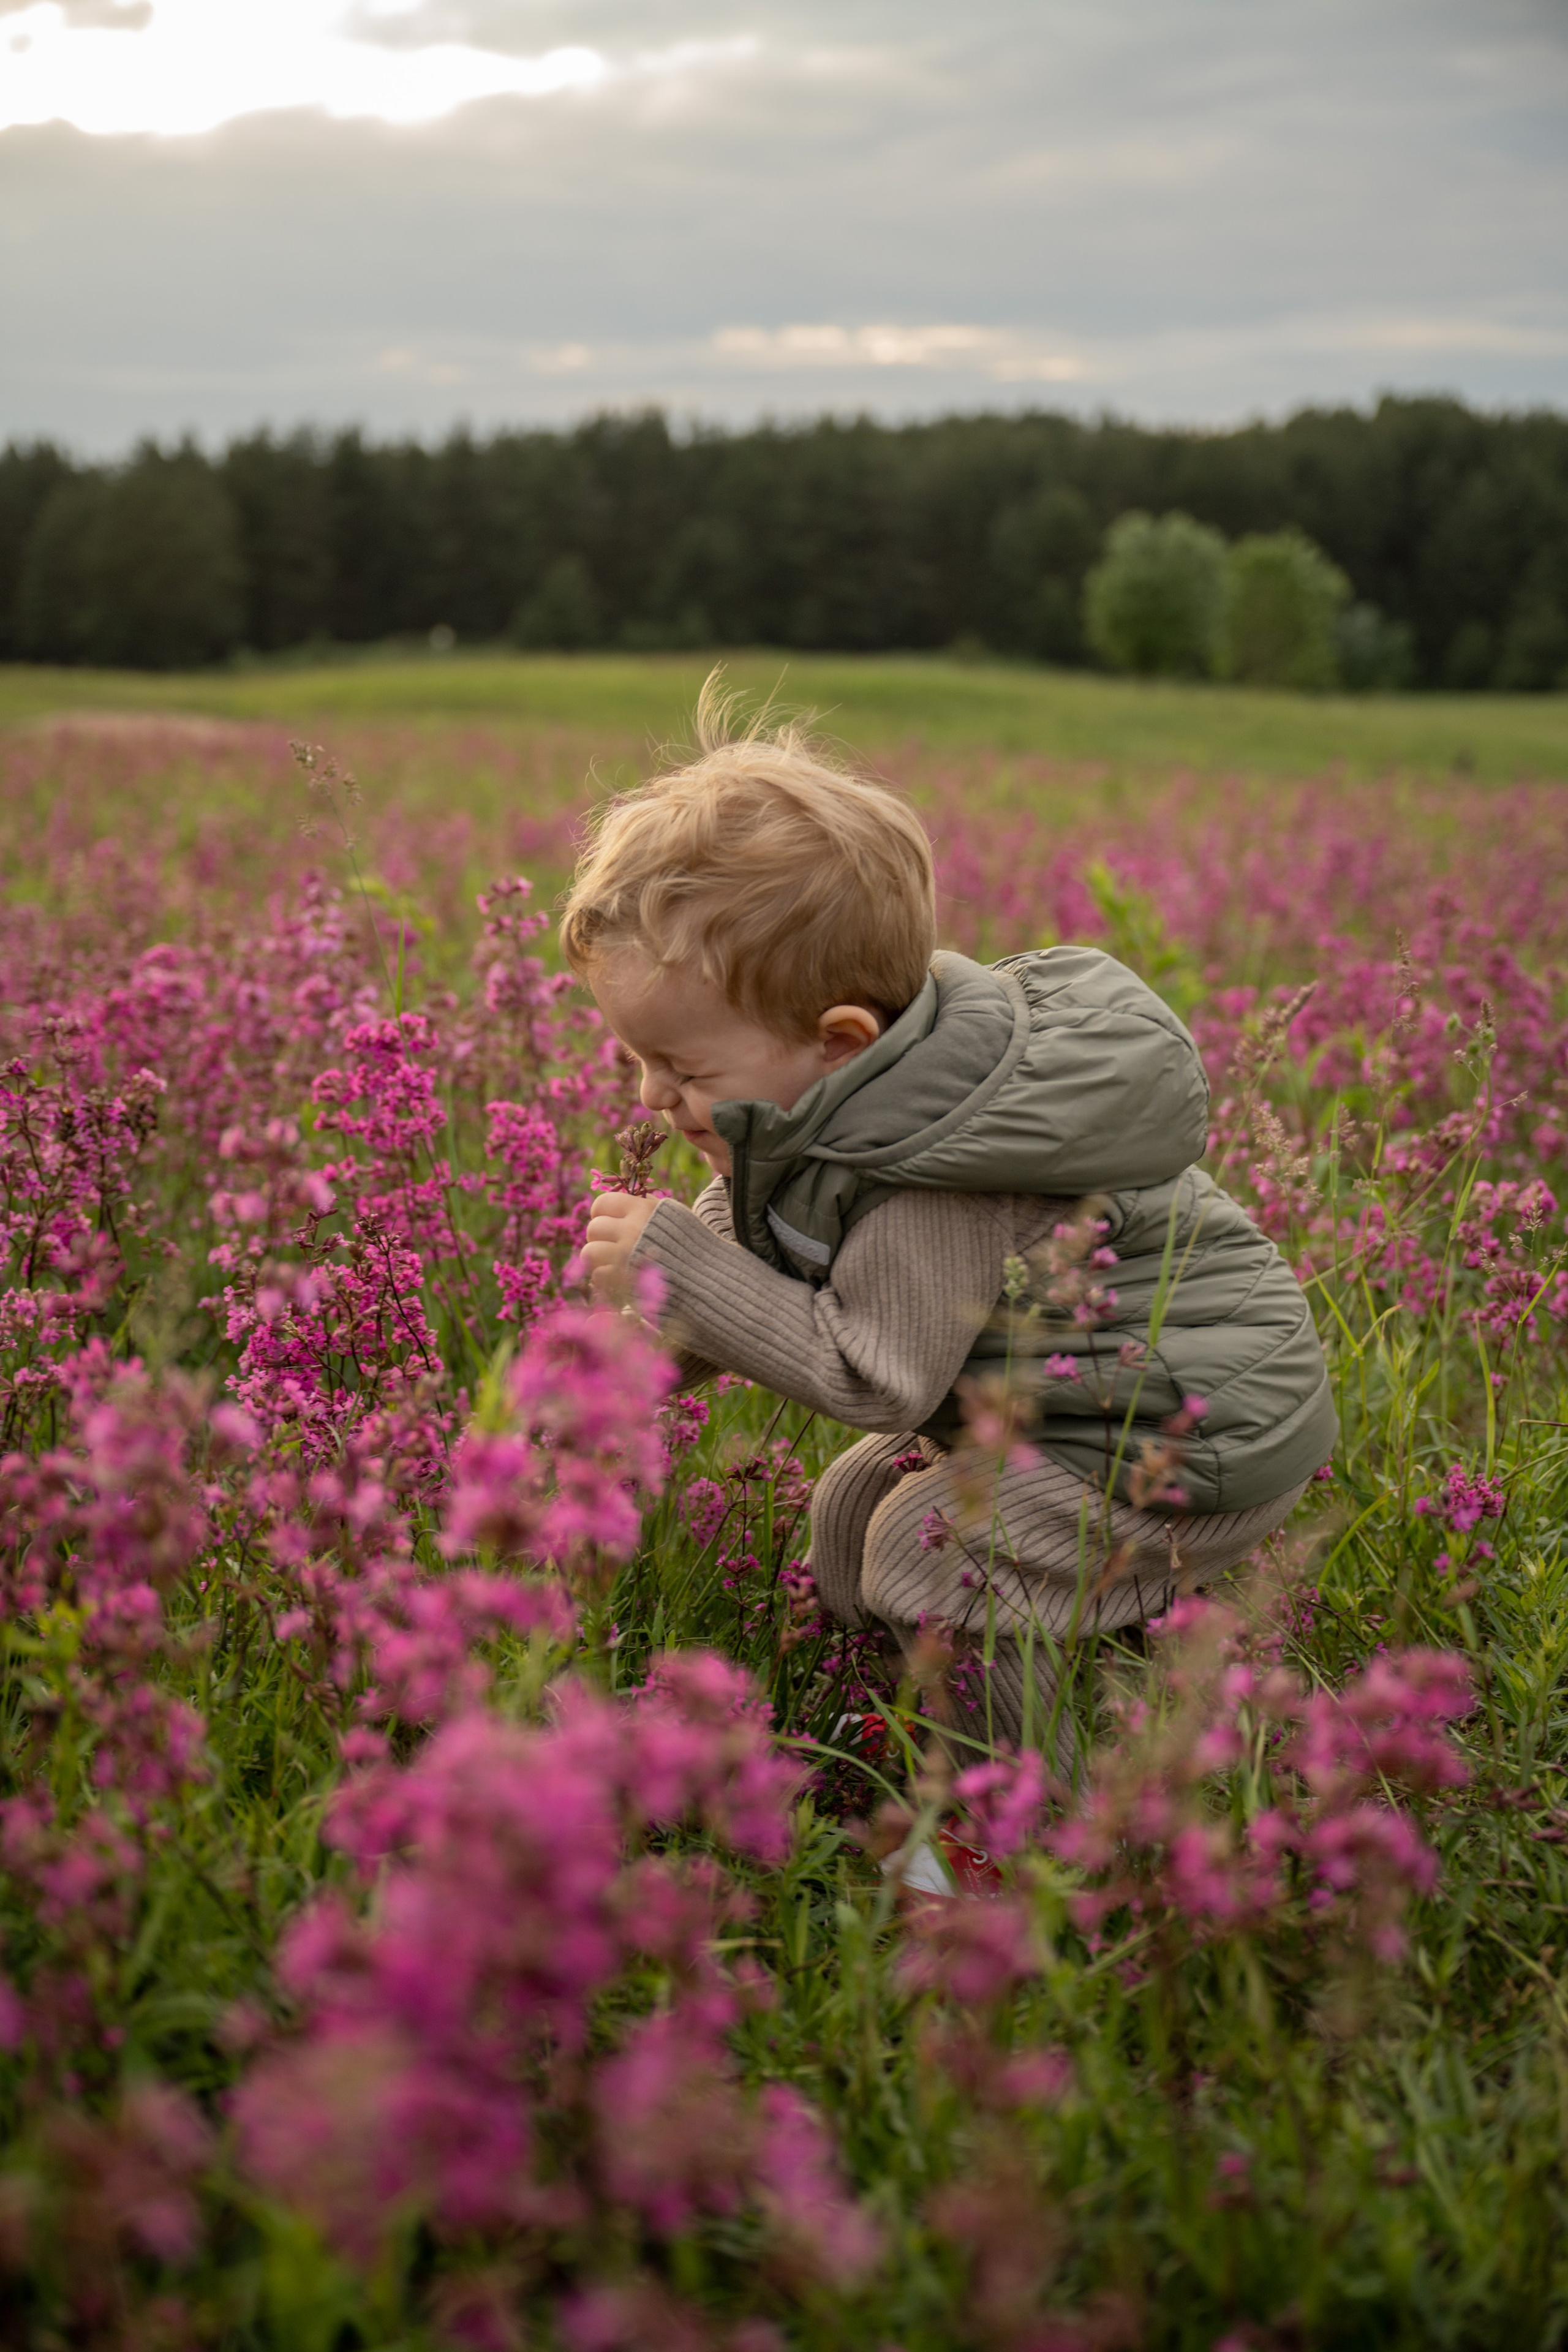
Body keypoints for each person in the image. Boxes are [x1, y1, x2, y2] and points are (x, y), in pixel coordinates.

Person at [568, 688, 1335, 1751]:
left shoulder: (930, 1178)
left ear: (839, 1041)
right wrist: (621, 1371)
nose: (654, 1095)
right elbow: (754, 1266)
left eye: (684, 1068)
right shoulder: (828, 1102)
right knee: (851, 1510)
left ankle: (1018, 1815)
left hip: (1184, 1443)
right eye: (640, 1060)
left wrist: (675, 1263)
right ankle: (903, 1735)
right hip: (1079, 1413)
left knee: (933, 1551)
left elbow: (878, 1382)